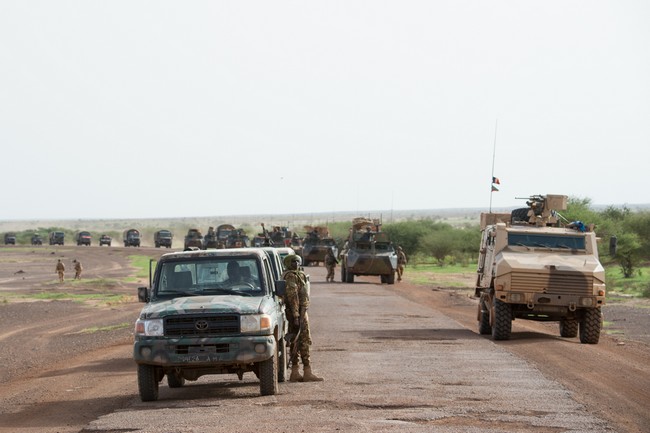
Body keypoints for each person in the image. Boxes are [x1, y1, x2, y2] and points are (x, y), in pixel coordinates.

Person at [282, 254, 323, 382]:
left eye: (298, 262)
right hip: (297, 313)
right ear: (288, 263)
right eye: (293, 262)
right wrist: (296, 315)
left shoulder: (298, 275)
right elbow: (292, 297)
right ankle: (305, 371)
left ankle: (297, 372)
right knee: (303, 340)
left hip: (300, 312)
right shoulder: (291, 276)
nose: (296, 264)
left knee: (298, 340)